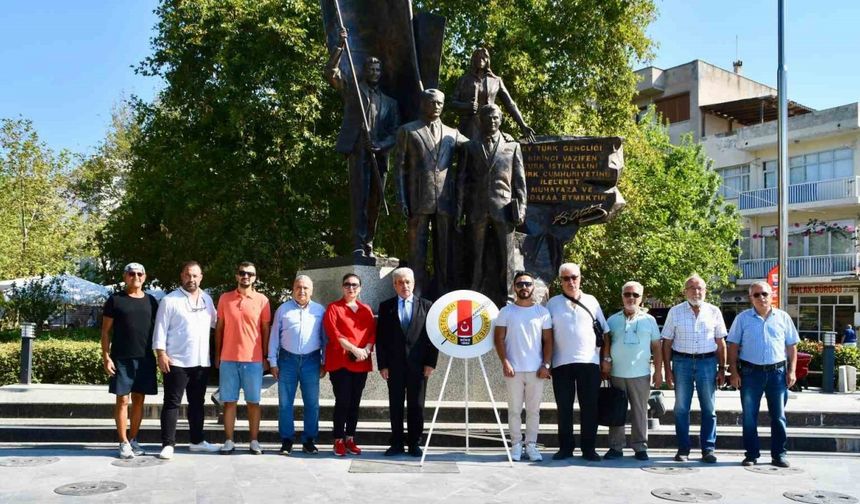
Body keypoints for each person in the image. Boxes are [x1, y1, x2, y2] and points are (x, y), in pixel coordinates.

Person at [325, 28, 400, 258]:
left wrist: (381, 144)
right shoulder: (354, 91)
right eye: (371, 68)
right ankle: (358, 242)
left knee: (375, 202)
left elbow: (396, 131)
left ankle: (369, 241)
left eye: (378, 69)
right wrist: (340, 46)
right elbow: (331, 73)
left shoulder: (390, 103)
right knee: (359, 198)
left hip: (379, 155)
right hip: (358, 152)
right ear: (365, 71)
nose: (375, 72)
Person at [394, 88, 468, 296]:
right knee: (417, 251)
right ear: (423, 103)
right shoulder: (408, 131)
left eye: (439, 103)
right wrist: (401, 198)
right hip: (418, 198)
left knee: (444, 251)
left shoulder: (453, 134)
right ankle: (415, 294)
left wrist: (503, 136)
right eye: (432, 102)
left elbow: (475, 147)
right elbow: (399, 167)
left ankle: (444, 292)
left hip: (445, 201)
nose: (436, 106)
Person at [153, 261, 220, 459]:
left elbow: (217, 324)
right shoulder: (169, 300)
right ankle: (168, 444)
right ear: (182, 276)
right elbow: (160, 329)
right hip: (176, 361)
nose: (191, 279)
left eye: (195, 276)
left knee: (197, 403)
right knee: (172, 403)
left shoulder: (207, 299)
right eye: (188, 275)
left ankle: (197, 441)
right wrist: (160, 354)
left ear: (201, 277)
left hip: (200, 361)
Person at [727, 281, 799, 468]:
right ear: (751, 298)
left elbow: (791, 346)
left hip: (777, 373)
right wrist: (733, 372)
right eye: (756, 295)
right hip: (750, 373)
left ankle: (779, 454)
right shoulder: (742, 319)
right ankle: (751, 454)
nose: (761, 298)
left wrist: (791, 371)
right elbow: (733, 346)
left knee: (779, 416)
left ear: (772, 295)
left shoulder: (783, 318)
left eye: (764, 293)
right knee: (750, 416)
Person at [460, 104, 526, 306]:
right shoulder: (469, 147)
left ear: (501, 120)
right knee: (475, 255)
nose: (492, 121)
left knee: (507, 257)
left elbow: (520, 182)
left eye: (496, 118)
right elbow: (461, 180)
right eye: (488, 118)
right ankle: (474, 294)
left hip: (503, 209)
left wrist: (522, 208)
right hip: (476, 208)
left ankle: (508, 297)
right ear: (480, 120)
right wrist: (459, 210)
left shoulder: (512, 147)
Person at [546, 263, 610, 461]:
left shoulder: (592, 301)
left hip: (589, 362)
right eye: (566, 278)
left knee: (589, 407)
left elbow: (606, 333)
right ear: (560, 281)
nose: (571, 281)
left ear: (580, 278)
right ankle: (565, 448)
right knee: (564, 408)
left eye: (574, 277)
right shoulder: (552, 303)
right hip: (561, 363)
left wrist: (606, 359)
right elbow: (546, 336)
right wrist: (546, 363)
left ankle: (588, 449)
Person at [661, 274, 727, 463]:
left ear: (705, 291)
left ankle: (708, 449)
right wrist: (667, 369)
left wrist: (722, 368)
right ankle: (683, 449)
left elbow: (720, 342)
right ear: (685, 291)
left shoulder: (714, 311)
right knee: (681, 408)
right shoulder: (675, 312)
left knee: (709, 408)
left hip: (708, 363)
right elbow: (667, 342)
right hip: (682, 363)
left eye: (700, 288)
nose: (696, 292)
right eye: (692, 288)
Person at [376, 267, 438, 457]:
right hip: (394, 366)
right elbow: (381, 339)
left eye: (408, 282)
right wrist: (382, 365)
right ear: (394, 285)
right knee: (395, 405)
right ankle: (396, 443)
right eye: (401, 282)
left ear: (414, 283)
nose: (405, 285)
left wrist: (430, 363)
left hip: (419, 366)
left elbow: (432, 337)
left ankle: (414, 443)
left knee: (417, 406)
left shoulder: (427, 306)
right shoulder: (386, 307)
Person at [100, 262, 160, 459]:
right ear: (125, 276)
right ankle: (123, 442)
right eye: (131, 273)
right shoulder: (115, 300)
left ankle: (133, 439)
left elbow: (159, 331)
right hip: (121, 359)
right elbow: (105, 331)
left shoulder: (152, 301)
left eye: (139, 273)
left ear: (144, 276)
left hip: (145, 359)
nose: (136, 276)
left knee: (139, 400)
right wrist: (106, 356)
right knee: (123, 400)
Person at [493, 271, 552, 462]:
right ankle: (516, 445)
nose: (524, 287)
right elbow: (499, 338)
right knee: (514, 410)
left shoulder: (542, 313)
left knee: (534, 410)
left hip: (536, 369)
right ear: (514, 287)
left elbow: (548, 341)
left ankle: (532, 445)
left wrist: (546, 364)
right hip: (514, 370)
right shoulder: (506, 312)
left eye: (527, 284)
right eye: (520, 284)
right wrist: (505, 362)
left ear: (533, 287)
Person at [215, 262, 271, 455]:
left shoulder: (262, 300)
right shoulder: (224, 298)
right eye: (242, 273)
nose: (246, 276)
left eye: (250, 274)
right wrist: (217, 355)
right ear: (236, 276)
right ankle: (229, 441)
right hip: (228, 359)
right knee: (229, 402)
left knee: (253, 402)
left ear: (255, 277)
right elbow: (220, 328)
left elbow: (265, 330)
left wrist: (265, 357)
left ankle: (254, 441)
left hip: (253, 360)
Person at [604, 281, 662, 461]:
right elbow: (605, 343)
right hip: (617, 373)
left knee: (640, 412)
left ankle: (640, 447)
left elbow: (657, 347)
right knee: (616, 411)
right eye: (627, 294)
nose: (631, 298)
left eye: (635, 295)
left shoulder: (649, 320)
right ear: (622, 296)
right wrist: (605, 361)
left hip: (640, 373)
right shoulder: (612, 320)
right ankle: (615, 447)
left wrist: (658, 372)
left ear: (641, 298)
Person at [268, 275, 327, 455]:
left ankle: (309, 439)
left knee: (312, 403)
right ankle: (287, 440)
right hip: (287, 360)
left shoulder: (320, 310)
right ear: (293, 288)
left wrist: (324, 362)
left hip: (312, 360)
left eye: (306, 288)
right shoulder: (283, 309)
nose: (302, 291)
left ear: (312, 290)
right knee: (285, 403)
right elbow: (274, 337)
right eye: (298, 287)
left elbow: (325, 339)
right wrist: (272, 361)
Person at [324, 273, 376, 456]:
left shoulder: (366, 309)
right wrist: (355, 349)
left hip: (361, 362)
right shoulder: (333, 308)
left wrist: (366, 350)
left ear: (360, 288)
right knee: (343, 401)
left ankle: (350, 438)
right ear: (342, 287)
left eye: (354, 285)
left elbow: (372, 333)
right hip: (341, 363)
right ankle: (338, 439)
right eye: (347, 284)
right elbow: (335, 334)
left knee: (355, 402)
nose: (351, 288)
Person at [449, 47, 536, 142]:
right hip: (468, 127)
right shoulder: (464, 80)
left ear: (488, 60)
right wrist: (466, 106)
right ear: (473, 59)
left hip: (490, 126)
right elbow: (452, 103)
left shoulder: (496, 80)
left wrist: (523, 125)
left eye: (484, 57)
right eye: (478, 57)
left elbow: (510, 104)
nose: (481, 60)